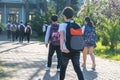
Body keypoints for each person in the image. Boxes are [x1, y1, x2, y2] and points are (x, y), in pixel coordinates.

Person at [59, 7, 84, 80]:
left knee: (63, 69)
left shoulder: (62, 25)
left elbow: (61, 37)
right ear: (73, 16)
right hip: (76, 50)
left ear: (64, 16)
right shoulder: (78, 24)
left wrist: (62, 48)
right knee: (77, 69)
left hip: (66, 50)